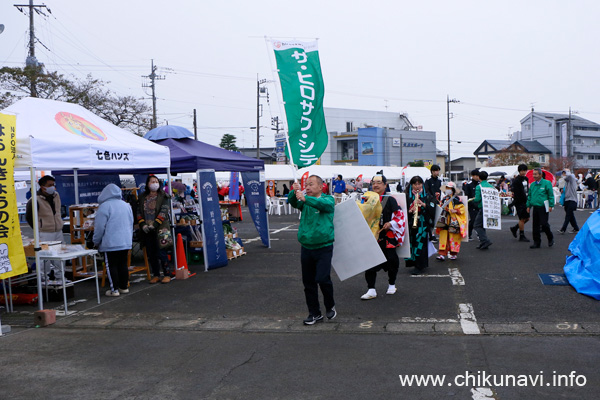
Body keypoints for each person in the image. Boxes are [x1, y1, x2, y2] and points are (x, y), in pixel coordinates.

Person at [288, 175, 336, 325]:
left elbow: (322, 205)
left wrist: (304, 198)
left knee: (322, 278)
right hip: (306, 246)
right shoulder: (304, 201)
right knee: (308, 282)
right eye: (305, 184)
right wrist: (293, 192)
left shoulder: (328, 200)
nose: (307, 187)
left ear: (321, 187)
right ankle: (314, 313)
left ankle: (330, 305)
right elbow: (293, 202)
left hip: (324, 247)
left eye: (311, 184)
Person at [360, 172, 406, 300]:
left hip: (387, 236)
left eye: (379, 183)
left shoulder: (390, 199)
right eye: (373, 183)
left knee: (392, 260)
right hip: (372, 236)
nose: (375, 185)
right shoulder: (366, 198)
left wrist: (390, 223)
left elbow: (399, 217)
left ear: (385, 185)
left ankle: (392, 284)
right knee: (369, 262)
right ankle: (371, 289)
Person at [93, 184, 134, 297]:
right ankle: (124, 287)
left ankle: (114, 289)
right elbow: (131, 223)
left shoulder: (104, 206)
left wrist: (95, 241)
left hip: (110, 242)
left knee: (111, 265)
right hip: (125, 241)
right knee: (123, 264)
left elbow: (100, 227)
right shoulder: (126, 205)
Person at [25, 175, 64, 280]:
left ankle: (60, 277)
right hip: (44, 232)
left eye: (53, 185)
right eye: (50, 185)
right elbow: (28, 216)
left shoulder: (56, 195)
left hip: (57, 231)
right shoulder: (35, 199)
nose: (53, 187)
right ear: (42, 187)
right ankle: (43, 279)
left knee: (59, 256)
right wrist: (38, 227)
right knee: (44, 257)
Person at [137, 175, 172, 283]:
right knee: (151, 252)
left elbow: (164, 211)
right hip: (147, 228)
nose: (155, 183)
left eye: (156, 181)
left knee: (162, 251)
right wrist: (142, 224)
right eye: (152, 181)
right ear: (148, 184)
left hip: (161, 228)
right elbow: (138, 211)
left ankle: (167, 274)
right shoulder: (142, 196)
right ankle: (156, 274)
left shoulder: (164, 196)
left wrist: (155, 224)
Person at [405, 176, 435, 275]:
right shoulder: (407, 196)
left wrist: (423, 204)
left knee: (420, 244)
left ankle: (420, 266)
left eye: (419, 184)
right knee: (412, 243)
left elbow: (433, 207)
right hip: (411, 224)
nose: (417, 186)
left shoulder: (427, 196)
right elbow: (402, 210)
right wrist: (410, 210)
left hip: (423, 224)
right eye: (415, 184)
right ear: (411, 185)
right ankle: (414, 263)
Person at [435, 182, 466, 261]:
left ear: (453, 190)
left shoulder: (457, 199)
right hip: (444, 219)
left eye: (449, 188)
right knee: (443, 237)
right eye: (447, 188)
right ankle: (442, 254)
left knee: (453, 236)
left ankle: (453, 254)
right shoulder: (445, 198)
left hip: (453, 220)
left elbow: (462, 209)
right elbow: (440, 205)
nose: (448, 190)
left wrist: (455, 210)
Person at [526, 168, 555, 249]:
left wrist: (551, 205)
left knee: (544, 224)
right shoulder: (532, 184)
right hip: (535, 206)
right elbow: (530, 196)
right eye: (533, 174)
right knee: (535, 225)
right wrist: (528, 206)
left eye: (536, 174)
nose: (534, 176)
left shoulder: (547, 183)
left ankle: (550, 237)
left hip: (543, 206)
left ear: (540, 175)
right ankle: (536, 242)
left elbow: (550, 195)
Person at [509, 164, 531, 242]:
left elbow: (527, 189)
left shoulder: (526, 178)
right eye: (522, 171)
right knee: (522, 219)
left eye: (525, 170)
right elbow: (517, 193)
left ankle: (515, 228)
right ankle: (521, 235)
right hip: (519, 202)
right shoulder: (517, 180)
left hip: (526, 201)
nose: (523, 172)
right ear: (519, 171)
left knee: (527, 218)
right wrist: (514, 202)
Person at [473, 170, 494, 250]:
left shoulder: (479, 187)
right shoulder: (491, 186)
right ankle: (483, 243)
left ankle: (485, 241)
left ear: (479, 177)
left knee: (477, 225)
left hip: (482, 207)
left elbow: (477, 199)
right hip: (489, 208)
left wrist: (473, 199)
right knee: (483, 225)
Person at [558, 169, 579, 234]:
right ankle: (576, 228)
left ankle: (563, 229)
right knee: (570, 215)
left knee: (568, 215)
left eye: (565, 173)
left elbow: (569, 176)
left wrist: (567, 171)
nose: (564, 175)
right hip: (567, 200)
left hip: (572, 200)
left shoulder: (572, 178)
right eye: (563, 173)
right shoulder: (566, 182)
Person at [462, 169, 480, 240]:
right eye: (476, 176)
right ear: (472, 176)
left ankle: (471, 233)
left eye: (478, 176)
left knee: (477, 220)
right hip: (471, 205)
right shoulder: (468, 185)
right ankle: (471, 234)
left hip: (479, 204)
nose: (477, 177)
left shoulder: (479, 184)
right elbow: (467, 195)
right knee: (473, 219)